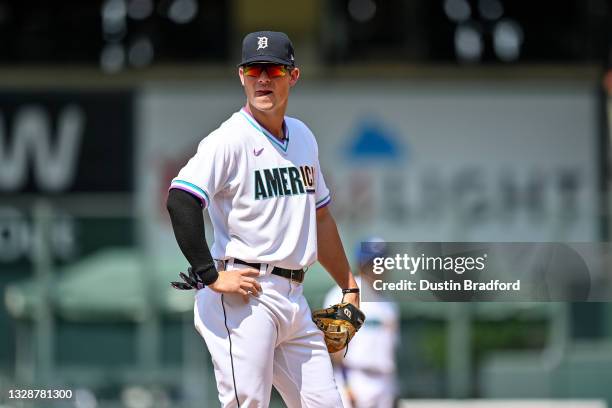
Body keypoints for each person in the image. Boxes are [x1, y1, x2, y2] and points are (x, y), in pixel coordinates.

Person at [166, 30, 359, 408]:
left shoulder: (303, 137)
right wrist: (210, 275)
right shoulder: (230, 139)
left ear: (293, 75)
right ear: (242, 76)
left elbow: (320, 218)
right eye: (254, 70)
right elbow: (180, 199)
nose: (263, 79)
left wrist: (349, 284)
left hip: (294, 298)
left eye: (273, 69)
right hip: (246, 294)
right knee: (248, 404)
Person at [323, 238, 400, 408]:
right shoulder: (342, 294)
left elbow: (391, 349)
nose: (378, 268)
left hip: (384, 381)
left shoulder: (388, 302)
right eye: (373, 263)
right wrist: (346, 384)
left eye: (382, 262)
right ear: (361, 264)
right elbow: (335, 348)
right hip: (355, 378)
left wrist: (394, 388)